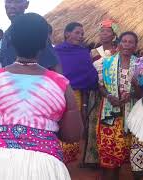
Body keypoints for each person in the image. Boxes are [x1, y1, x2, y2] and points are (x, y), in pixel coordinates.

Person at [0, 13, 83, 180]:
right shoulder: (60, 84)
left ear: (11, 42)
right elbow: (72, 135)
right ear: (45, 43)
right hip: (45, 166)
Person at [96, 31, 138, 180]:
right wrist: (109, 96)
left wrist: (131, 94)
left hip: (130, 115)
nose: (127, 44)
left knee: (125, 154)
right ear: (119, 43)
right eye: (124, 41)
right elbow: (100, 86)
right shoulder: (106, 63)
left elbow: (141, 92)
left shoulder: (139, 65)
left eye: (130, 42)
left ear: (135, 46)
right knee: (109, 155)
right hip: (109, 114)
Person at [54, 22, 98, 163]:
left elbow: (90, 75)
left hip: (75, 96)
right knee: (54, 126)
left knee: (69, 127)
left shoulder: (83, 52)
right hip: (55, 95)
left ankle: (64, 163)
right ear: (67, 33)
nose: (80, 36)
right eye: (77, 32)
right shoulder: (55, 51)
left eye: (82, 34)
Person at [82, 19, 118, 168]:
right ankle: (92, 158)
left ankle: (108, 156)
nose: (104, 34)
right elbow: (88, 73)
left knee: (109, 123)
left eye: (107, 31)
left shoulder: (118, 52)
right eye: (102, 31)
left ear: (114, 35)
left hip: (113, 93)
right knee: (93, 123)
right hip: (96, 92)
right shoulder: (93, 52)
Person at [0, 0, 61, 73]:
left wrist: (61, 82)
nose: (12, 6)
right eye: (9, 2)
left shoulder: (34, 31)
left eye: (17, 2)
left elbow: (54, 66)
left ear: (26, 4)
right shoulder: (6, 34)